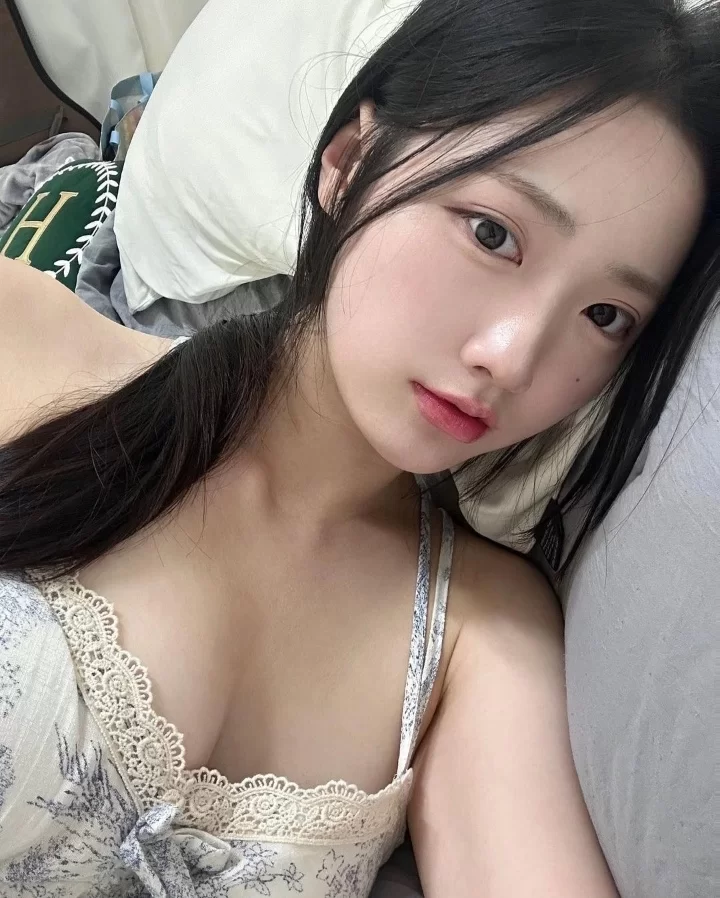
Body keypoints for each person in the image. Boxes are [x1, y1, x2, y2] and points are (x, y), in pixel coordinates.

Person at [0, 0, 717, 895]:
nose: (512, 357)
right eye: (492, 233)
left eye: (605, 315)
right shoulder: (24, 339)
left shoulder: (480, 631)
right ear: (346, 163)